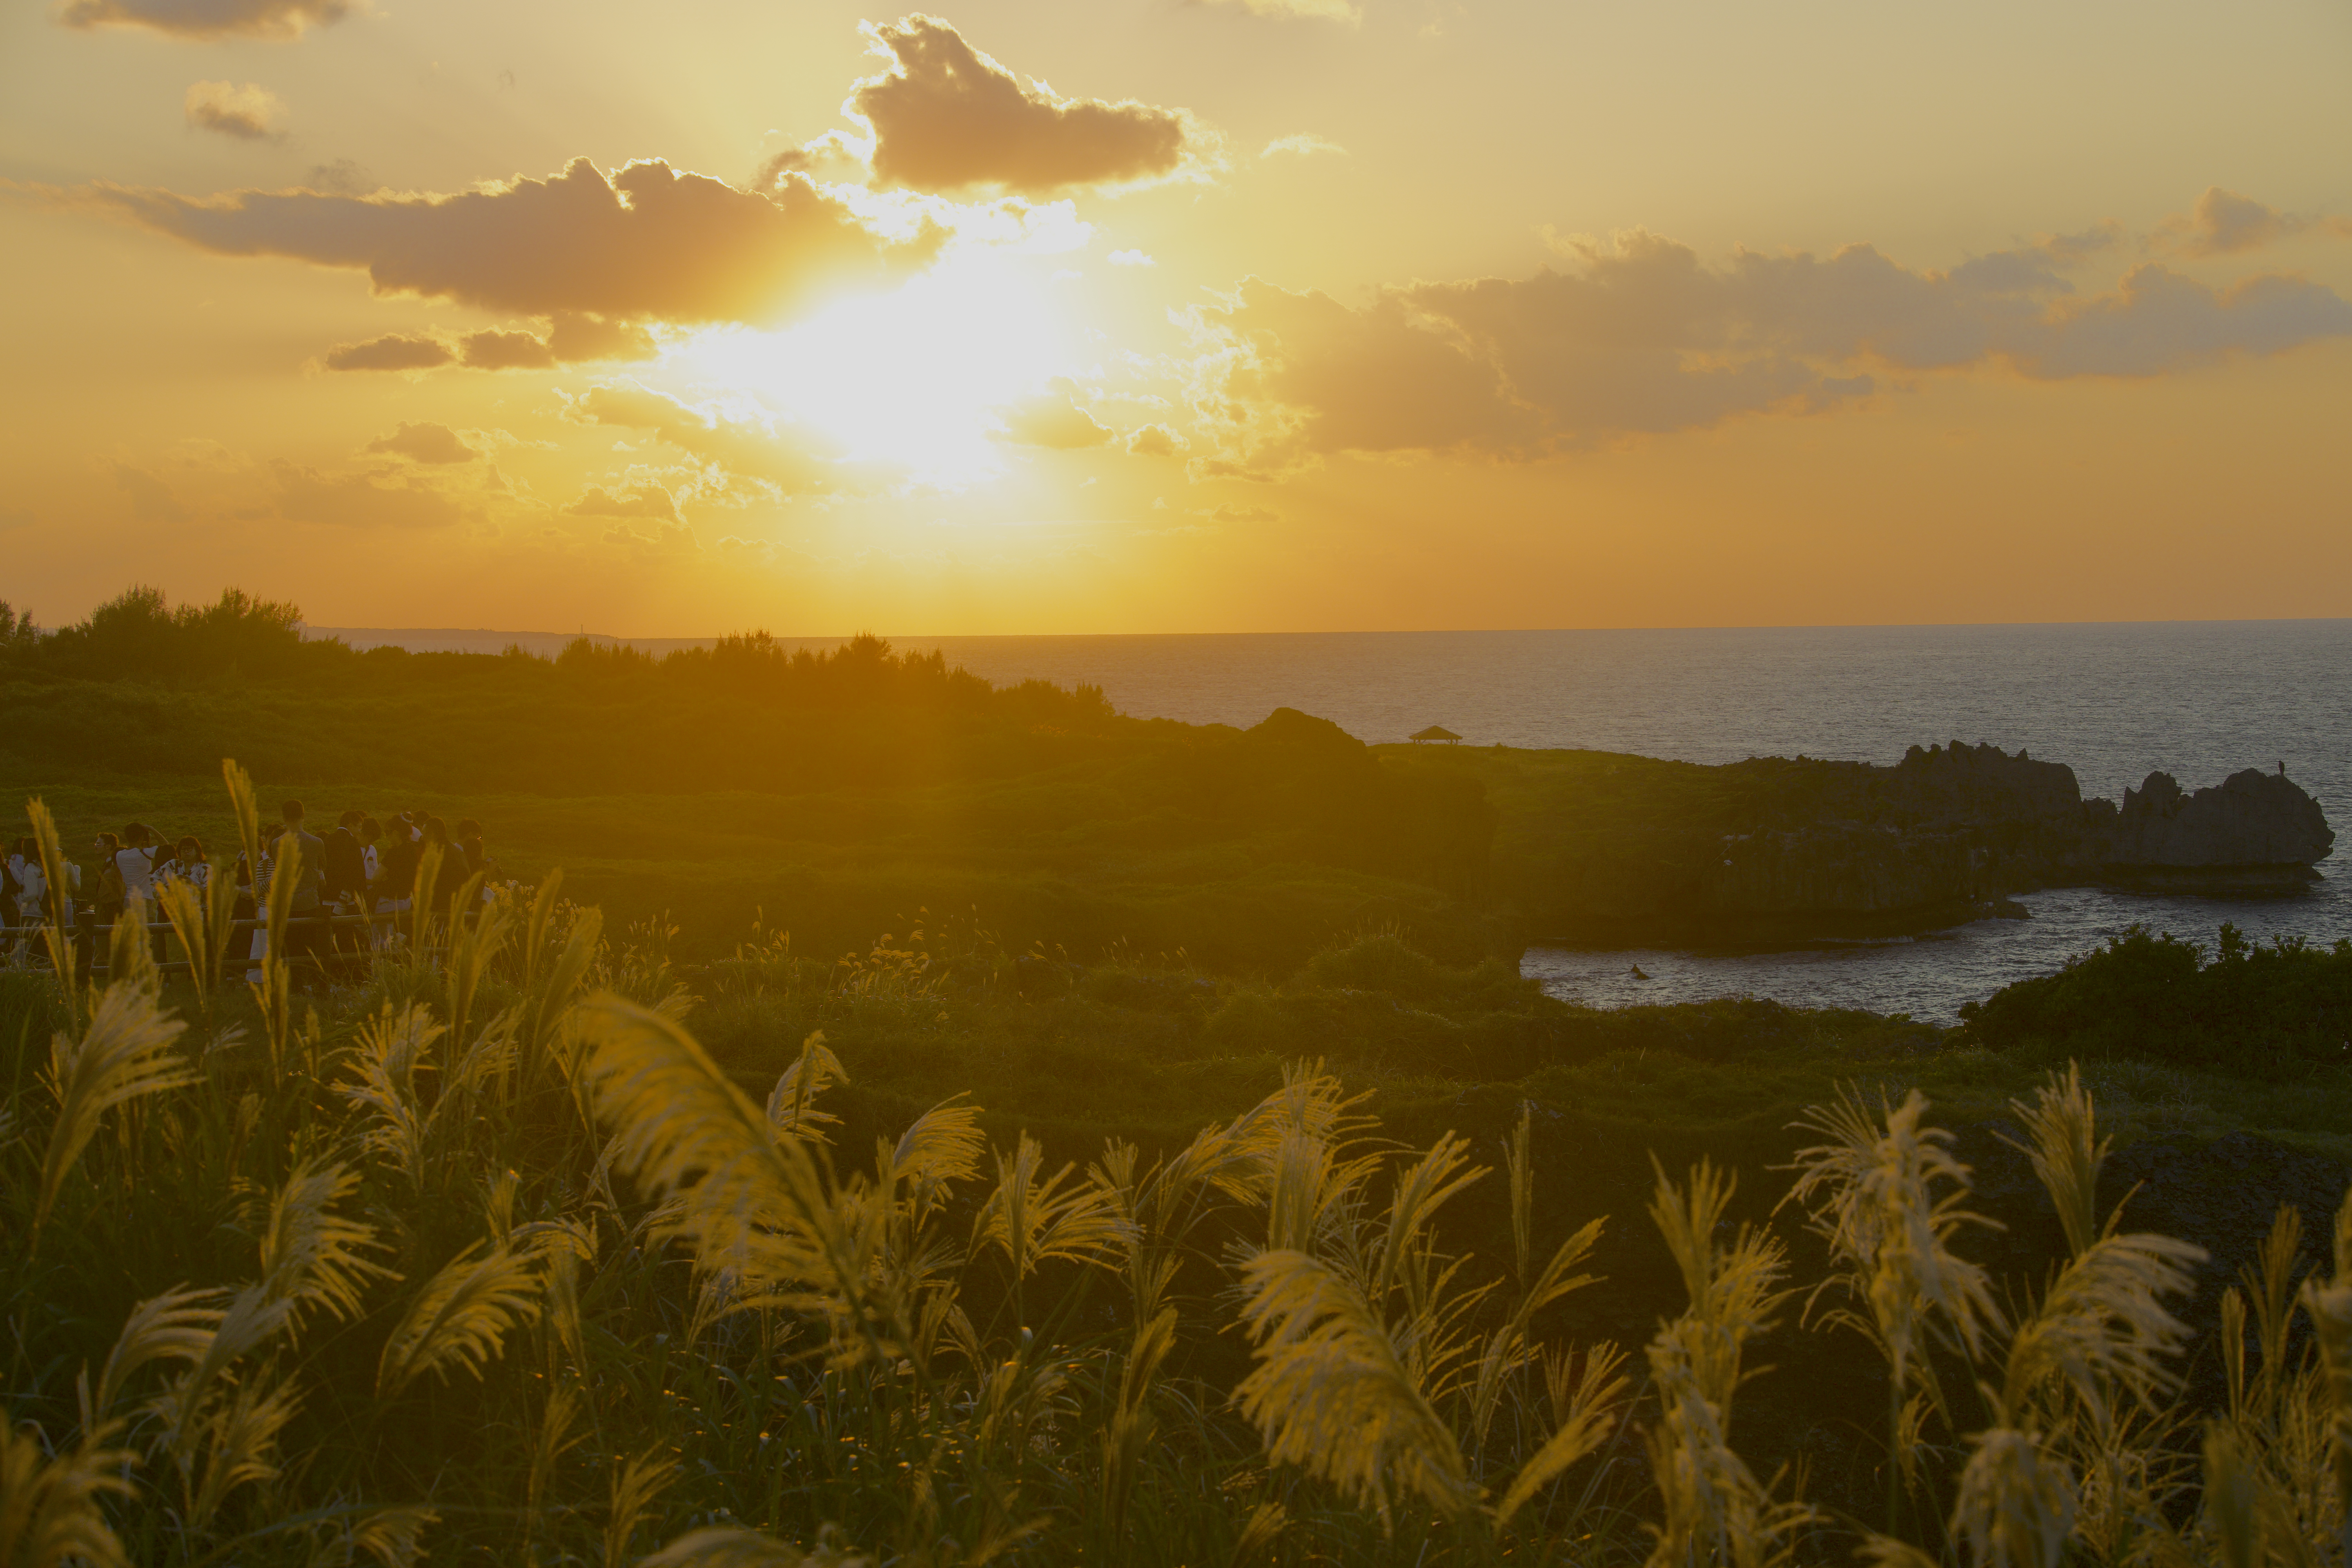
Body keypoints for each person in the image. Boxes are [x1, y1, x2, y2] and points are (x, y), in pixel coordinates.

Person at [276, 800, 328, 988]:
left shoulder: (276, 844)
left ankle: (294, 986)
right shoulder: (316, 843)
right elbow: (323, 868)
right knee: (311, 948)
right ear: (304, 815)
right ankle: (313, 984)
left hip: (286, 904)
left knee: (290, 949)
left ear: (284, 818)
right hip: (309, 903)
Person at [321, 809, 368, 975]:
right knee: (346, 937)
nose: (360, 831)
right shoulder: (352, 842)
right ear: (350, 825)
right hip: (345, 897)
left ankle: (330, 971)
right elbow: (358, 872)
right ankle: (347, 972)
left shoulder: (328, 840)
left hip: (328, 896)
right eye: (359, 827)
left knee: (329, 936)